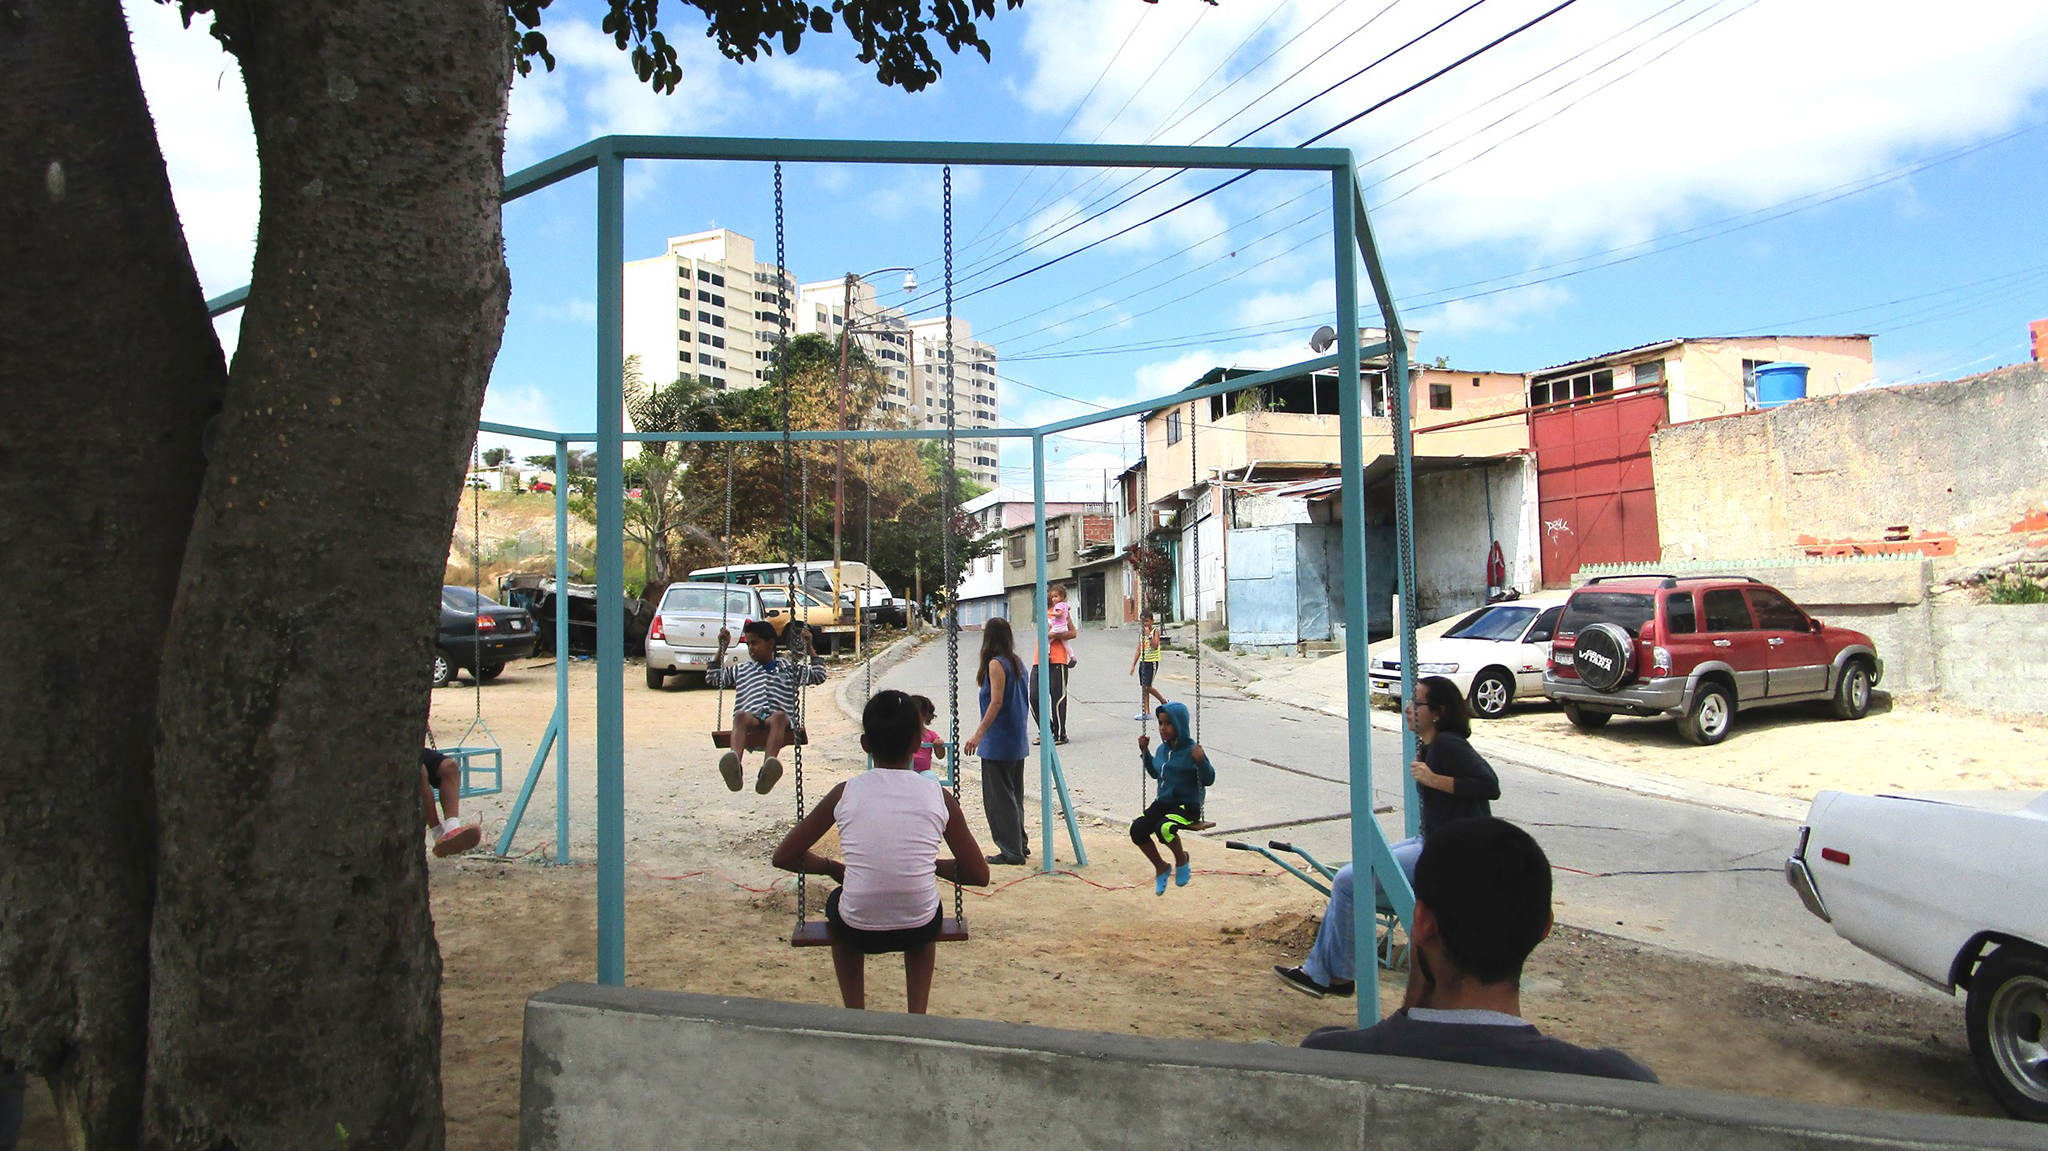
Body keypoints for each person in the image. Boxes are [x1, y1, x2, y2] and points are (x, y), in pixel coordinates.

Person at [1301, 817, 1658, 1083]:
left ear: (1422, 923)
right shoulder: (1621, 1082)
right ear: (1544, 928)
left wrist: (1410, 1010)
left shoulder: (1328, 1060)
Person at [1275, 675, 1500, 998]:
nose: (1408, 709)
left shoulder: (1449, 745)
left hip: (1451, 854)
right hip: (1432, 842)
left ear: (1437, 712)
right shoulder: (1433, 746)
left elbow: (1489, 785)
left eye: (1416, 704)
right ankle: (1324, 972)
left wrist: (1435, 780)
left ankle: (1335, 976)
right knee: (1354, 874)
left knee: (1349, 881)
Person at [772, 690, 990, 1013]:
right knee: (925, 905)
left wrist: (832, 867)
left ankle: (855, 1012)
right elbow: (978, 875)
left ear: (865, 745)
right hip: (918, 927)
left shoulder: (845, 793)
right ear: (918, 744)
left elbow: (784, 856)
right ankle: (917, 1013)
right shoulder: (938, 795)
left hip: (858, 930)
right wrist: (930, 868)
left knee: (839, 905)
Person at [707, 619, 827, 794]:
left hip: (777, 723)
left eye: (755, 643)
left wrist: (810, 647)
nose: (751, 648)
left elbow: (819, 675)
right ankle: (735, 766)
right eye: (748, 644)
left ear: (770, 644)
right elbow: (713, 677)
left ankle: (768, 769)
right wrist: (722, 648)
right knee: (740, 716)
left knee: (779, 716)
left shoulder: (788, 668)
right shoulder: (742, 669)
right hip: (752, 720)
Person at [962, 618, 1031, 865]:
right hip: (1016, 740)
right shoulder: (1018, 663)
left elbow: (997, 701)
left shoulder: (995, 664)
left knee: (999, 800)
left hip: (998, 741)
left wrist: (978, 734)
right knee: (1014, 795)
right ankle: (1019, 843)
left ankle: (1011, 850)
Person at [1132, 700, 1214, 896]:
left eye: (1168, 723)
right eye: (1160, 723)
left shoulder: (1192, 750)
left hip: (1187, 806)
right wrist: (1145, 752)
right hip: (1164, 803)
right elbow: (1154, 773)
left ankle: (1181, 859)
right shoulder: (1162, 750)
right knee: (1137, 829)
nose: (1163, 728)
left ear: (1179, 725)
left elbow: (1208, 779)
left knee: (1165, 828)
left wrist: (1201, 761)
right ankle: (1161, 867)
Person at [1030, 584, 1078, 745]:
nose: (1048, 597)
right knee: (1034, 697)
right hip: (1039, 659)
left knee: (1057, 697)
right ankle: (1046, 730)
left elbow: (1073, 633)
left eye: (1049, 594)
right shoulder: (1042, 613)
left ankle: (1059, 733)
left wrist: (1055, 634)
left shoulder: (1061, 611)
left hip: (1057, 659)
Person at [421, 746, 482, 857]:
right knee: (419, 772)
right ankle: (438, 833)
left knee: (450, 766)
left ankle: (452, 827)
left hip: (411, 748)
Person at [1128, 610, 1166, 720]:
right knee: (1144, 688)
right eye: (1143, 622)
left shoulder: (1155, 632)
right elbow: (1139, 649)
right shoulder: (1141, 634)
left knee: (1147, 686)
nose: (1145, 624)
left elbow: (1155, 645)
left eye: (1147, 621)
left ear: (1152, 621)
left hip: (1152, 661)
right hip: (1143, 662)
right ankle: (1146, 712)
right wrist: (1133, 665)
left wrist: (1149, 635)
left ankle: (1163, 701)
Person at [910, 694, 947, 776]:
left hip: (923, 772)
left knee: (930, 776)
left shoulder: (931, 735)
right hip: (905, 771)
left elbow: (940, 756)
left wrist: (939, 746)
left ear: (925, 716)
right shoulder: (901, 733)